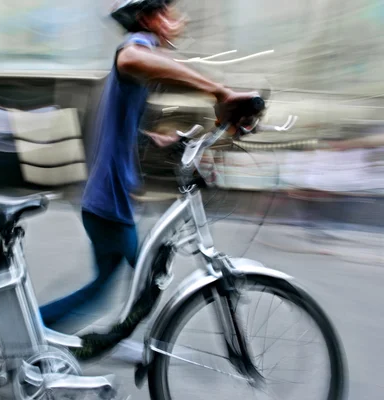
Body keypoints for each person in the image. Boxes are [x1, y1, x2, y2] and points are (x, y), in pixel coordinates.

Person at [39, 0, 256, 331]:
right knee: (129, 283)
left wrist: (157, 139)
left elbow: (121, 122)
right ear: (149, 19)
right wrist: (219, 92)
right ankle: (42, 330)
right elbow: (130, 57)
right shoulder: (138, 46)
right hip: (107, 201)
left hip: (108, 198)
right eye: (168, 14)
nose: (177, 21)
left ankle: (95, 335)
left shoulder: (145, 63)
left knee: (132, 279)